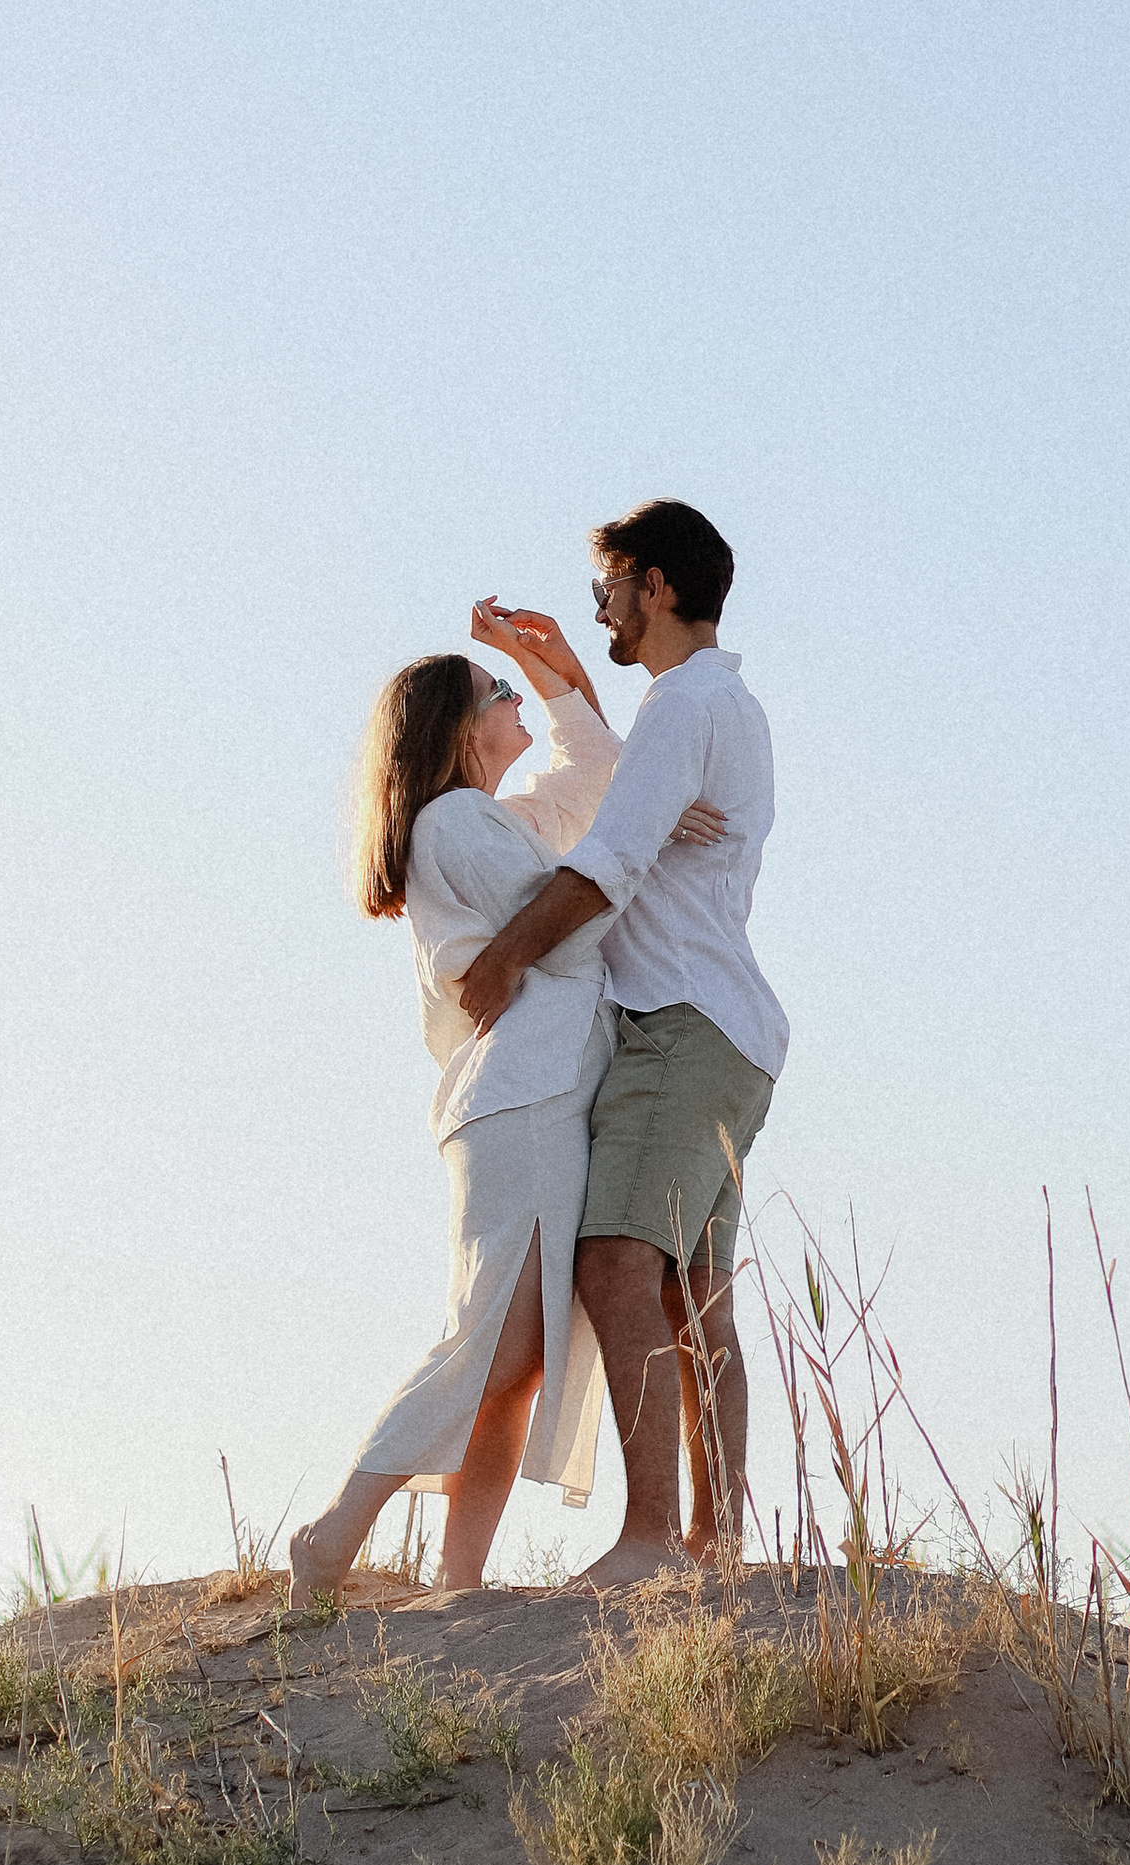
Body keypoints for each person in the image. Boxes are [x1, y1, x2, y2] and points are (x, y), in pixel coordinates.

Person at [285, 600, 726, 1605]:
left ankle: (457, 1579)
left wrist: (555, 672)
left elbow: (597, 779)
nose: (513, 696)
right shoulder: (456, 823)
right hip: (521, 1102)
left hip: (536, 1095)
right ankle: (333, 1534)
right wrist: (650, 833)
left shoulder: (498, 821)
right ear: (455, 728)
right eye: (500, 692)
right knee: (493, 1339)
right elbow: (565, 930)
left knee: (512, 1359)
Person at [458, 500, 786, 1590]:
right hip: (731, 1035)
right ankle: (713, 1543)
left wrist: (502, 956)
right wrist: (564, 685)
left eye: (607, 586)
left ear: (653, 585)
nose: (597, 604)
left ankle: (651, 1540)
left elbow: (609, 859)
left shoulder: (686, 705)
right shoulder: (709, 705)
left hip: (681, 1027)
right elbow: (626, 814)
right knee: (697, 1295)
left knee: (615, 1262)